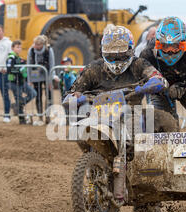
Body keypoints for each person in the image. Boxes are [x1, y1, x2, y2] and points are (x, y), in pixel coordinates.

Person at [67, 25, 175, 202]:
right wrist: (76, 97)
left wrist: (149, 85)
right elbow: (73, 91)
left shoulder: (138, 64)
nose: (116, 59)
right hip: (100, 114)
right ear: (103, 51)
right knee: (80, 132)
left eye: (120, 54)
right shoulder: (94, 68)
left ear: (130, 50)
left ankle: (167, 169)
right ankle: (95, 168)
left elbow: (159, 79)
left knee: (166, 120)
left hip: (132, 111)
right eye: (111, 55)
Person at [27, 35, 56, 126]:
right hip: (36, 77)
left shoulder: (49, 50)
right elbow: (29, 66)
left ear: (42, 44)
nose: (35, 46)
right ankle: (40, 116)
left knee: (49, 97)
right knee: (38, 97)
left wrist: (50, 81)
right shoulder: (31, 51)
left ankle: (48, 117)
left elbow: (52, 65)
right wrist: (29, 80)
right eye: (35, 44)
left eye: (38, 44)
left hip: (47, 76)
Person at [6, 40, 37, 124]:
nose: (19, 49)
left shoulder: (20, 59)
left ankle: (17, 105)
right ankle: (21, 120)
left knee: (33, 93)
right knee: (18, 98)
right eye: (17, 47)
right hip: (14, 82)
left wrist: (26, 77)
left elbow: (24, 71)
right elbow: (9, 69)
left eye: (20, 47)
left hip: (22, 82)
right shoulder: (11, 58)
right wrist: (19, 70)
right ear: (13, 48)